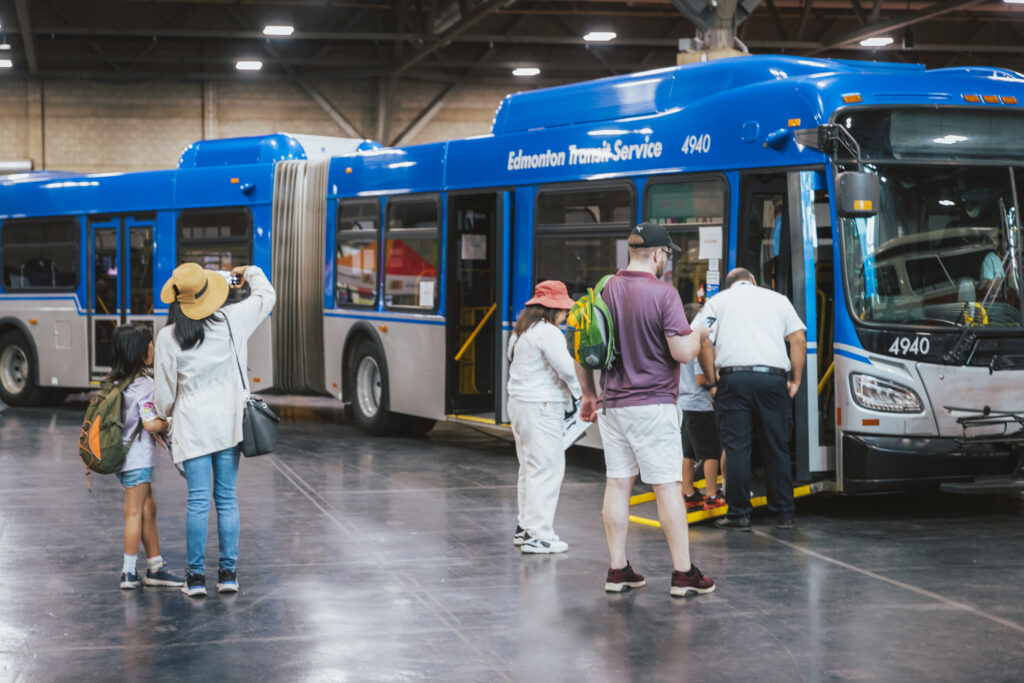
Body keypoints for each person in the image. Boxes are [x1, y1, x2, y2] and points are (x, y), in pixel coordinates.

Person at [577, 221, 715, 598]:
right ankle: (683, 574)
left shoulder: (604, 290)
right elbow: (682, 353)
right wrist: (698, 332)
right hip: (652, 405)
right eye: (666, 256)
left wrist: (589, 394)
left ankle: (618, 569)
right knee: (667, 487)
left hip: (613, 405)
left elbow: (583, 347)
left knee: (618, 483)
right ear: (658, 255)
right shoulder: (664, 294)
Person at [155, 263, 276, 597]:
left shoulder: (167, 337)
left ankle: (195, 579)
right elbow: (267, 295)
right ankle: (228, 574)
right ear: (209, 293)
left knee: (197, 502)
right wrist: (248, 272)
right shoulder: (232, 320)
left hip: (193, 429)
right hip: (227, 424)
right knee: (226, 499)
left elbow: (164, 399)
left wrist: (165, 416)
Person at [699, 267, 807, 531]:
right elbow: (798, 339)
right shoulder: (778, 300)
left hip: (733, 380)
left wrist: (712, 381)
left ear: (728, 284)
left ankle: (739, 515)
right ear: (753, 281)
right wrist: (796, 379)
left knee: (736, 448)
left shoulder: (718, 302)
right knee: (776, 445)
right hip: (772, 380)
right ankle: (784, 513)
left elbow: (702, 340)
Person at [507, 280, 581, 554]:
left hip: (519, 404)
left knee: (529, 467)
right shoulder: (548, 332)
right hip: (541, 406)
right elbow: (568, 369)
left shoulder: (521, 330)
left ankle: (525, 527)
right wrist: (583, 395)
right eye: (562, 309)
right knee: (547, 468)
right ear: (551, 310)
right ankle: (538, 535)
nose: (565, 315)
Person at [109, 323, 185, 590]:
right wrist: (171, 422)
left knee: (147, 509)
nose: (153, 346)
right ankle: (129, 573)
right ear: (140, 351)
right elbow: (152, 424)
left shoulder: (116, 382)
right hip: (137, 459)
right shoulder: (144, 384)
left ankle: (156, 567)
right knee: (134, 513)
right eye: (149, 343)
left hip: (126, 459)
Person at [678, 303, 724, 513]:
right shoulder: (697, 344)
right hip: (700, 405)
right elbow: (700, 379)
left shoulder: (682, 343)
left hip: (685, 404)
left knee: (688, 453)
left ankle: (688, 493)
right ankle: (712, 496)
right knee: (710, 453)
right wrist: (717, 379)